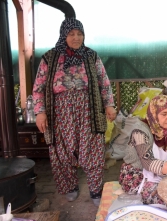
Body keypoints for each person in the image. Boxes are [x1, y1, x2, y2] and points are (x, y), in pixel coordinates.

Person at [32, 17, 117, 206]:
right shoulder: (50, 57)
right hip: (60, 113)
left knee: (92, 150)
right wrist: (40, 111)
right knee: (62, 151)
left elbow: (104, 82)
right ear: (64, 35)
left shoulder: (91, 56)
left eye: (79, 34)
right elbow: (38, 87)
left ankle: (96, 190)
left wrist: (109, 104)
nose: (76, 38)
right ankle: (70, 186)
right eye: (71, 34)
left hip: (89, 110)